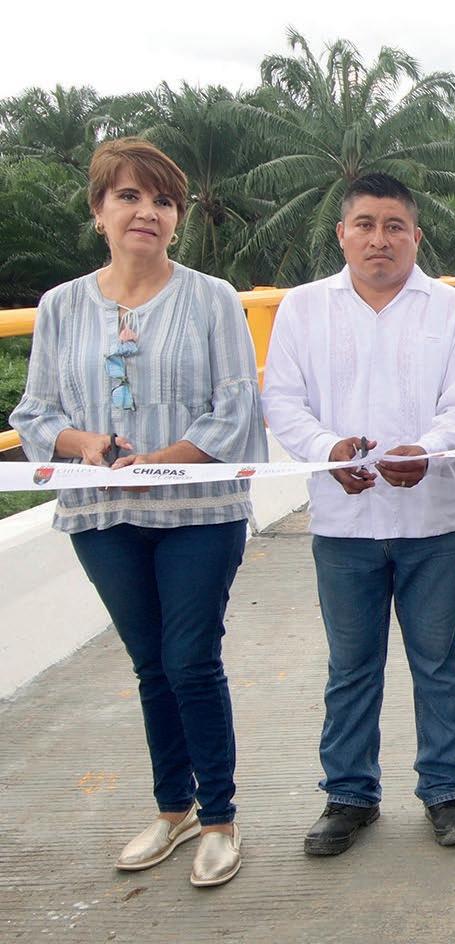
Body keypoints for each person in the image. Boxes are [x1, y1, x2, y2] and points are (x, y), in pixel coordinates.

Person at [8, 137, 267, 886]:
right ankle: (172, 808)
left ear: (177, 219)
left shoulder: (212, 297)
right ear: (99, 211)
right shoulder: (61, 306)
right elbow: (35, 413)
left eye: (163, 201)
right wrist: (85, 444)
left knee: (191, 659)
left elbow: (235, 409)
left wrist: (162, 463)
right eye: (128, 196)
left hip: (199, 511)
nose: (146, 212)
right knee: (151, 663)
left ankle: (219, 818)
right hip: (102, 515)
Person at [261, 173, 455, 855]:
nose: (379, 238)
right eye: (365, 224)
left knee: (438, 662)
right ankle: (349, 796)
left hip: (431, 523)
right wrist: (326, 450)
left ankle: (446, 791)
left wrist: (430, 449)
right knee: (351, 666)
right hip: (343, 525)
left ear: (416, 235)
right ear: (342, 234)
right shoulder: (303, 309)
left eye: (394, 226)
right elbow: (283, 402)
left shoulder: (452, 310)